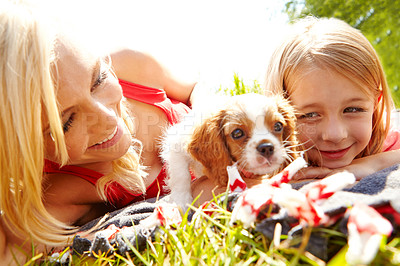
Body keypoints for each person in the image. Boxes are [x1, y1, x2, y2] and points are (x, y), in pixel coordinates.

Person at [0, 1, 196, 262]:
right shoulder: (62, 192)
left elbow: (194, 88)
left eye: (98, 80)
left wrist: (206, 121)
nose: (107, 118)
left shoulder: (130, 65)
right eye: (67, 122)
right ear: (25, 149)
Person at [265, 16, 400, 181]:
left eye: (353, 109)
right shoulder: (257, 160)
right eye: (310, 115)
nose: (335, 135)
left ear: (375, 104)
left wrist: (373, 164)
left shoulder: (390, 143)